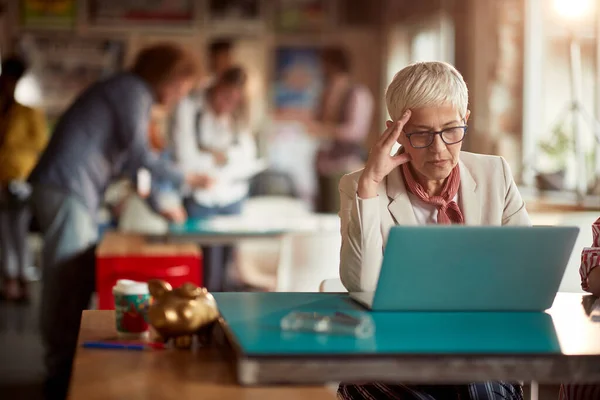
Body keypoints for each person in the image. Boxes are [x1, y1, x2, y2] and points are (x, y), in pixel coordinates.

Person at [28, 43, 211, 399]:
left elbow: (133, 163)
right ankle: (58, 374)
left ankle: (63, 367)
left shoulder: (126, 91)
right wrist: (185, 177)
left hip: (67, 188)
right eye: (181, 88)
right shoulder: (132, 91)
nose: (177, 97)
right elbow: (142, 155)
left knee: (75, 278)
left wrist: (162, 205)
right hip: (67, 187)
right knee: (65, 281)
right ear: (167, 77)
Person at [337, 61, 530, 400]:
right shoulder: (360, 186)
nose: (439, 149)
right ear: (395, 133)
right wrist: (369, 184)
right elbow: (361, 283)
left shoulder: (494, 174)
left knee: (479, 384)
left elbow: (526, 272)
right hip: (396, 352)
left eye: (451, 130)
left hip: (478, 347)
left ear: (466, 119)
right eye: (421, 134)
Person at [173, 66, 256, 292]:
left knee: (227, 273)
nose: (228, 105)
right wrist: (221, 158)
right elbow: (186, 160)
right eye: (225, 97)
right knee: (205, 272)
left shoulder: (238, 115)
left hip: (232, 198)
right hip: (200, 199)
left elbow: (247, 155)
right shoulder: (190, 108)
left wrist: (217, 154)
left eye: (235, 100)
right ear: (216, 86)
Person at [0, 55, 48, 301]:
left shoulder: (28, 112)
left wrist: (13, 146)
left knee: (19, 231)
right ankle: (9, 280)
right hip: (1, 178)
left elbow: (41, 143)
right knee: (4, 231)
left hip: (19, 178)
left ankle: (23, 280)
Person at [308, 46, 374, 213]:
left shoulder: (358, 94)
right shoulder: (325, 93)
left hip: (345, 167)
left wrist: (324, 129)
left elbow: (355, 132)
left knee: (341, 218)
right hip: (323, 167)